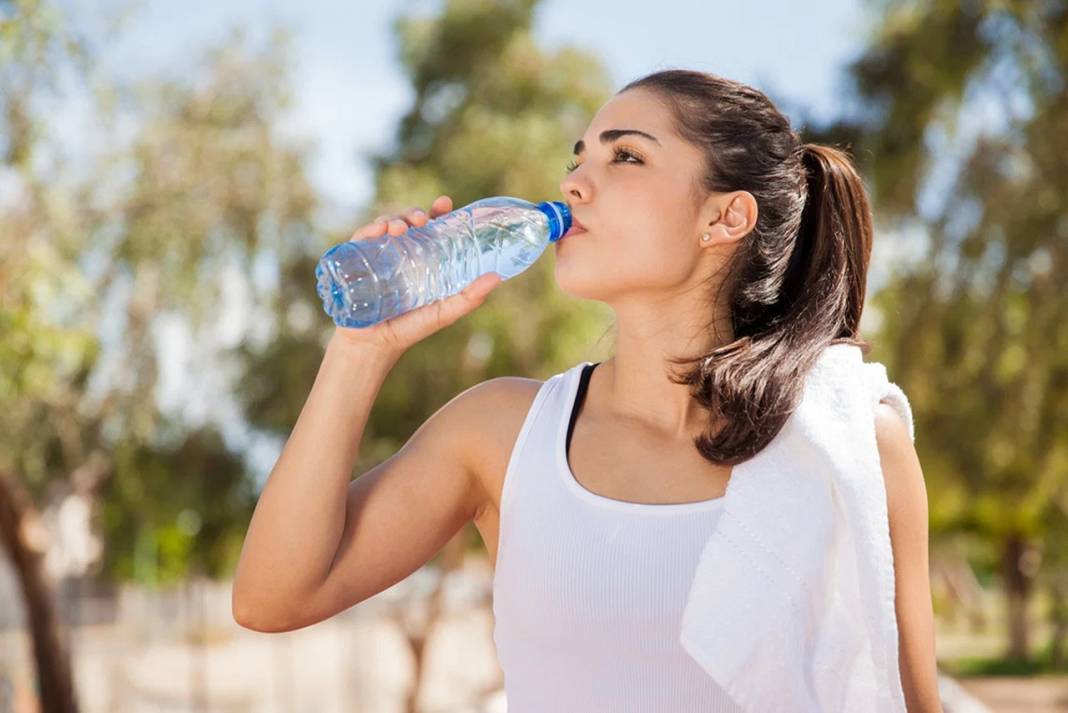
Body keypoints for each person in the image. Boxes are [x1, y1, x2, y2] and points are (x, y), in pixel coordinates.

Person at [232, 69, 943, 712]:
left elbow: (908, 699)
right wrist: (363, 349)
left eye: (624, 156)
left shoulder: (848, 446)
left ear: (724, 218)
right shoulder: (502, 433)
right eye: (578, 157)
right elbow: (273, 596)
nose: (574, 182)